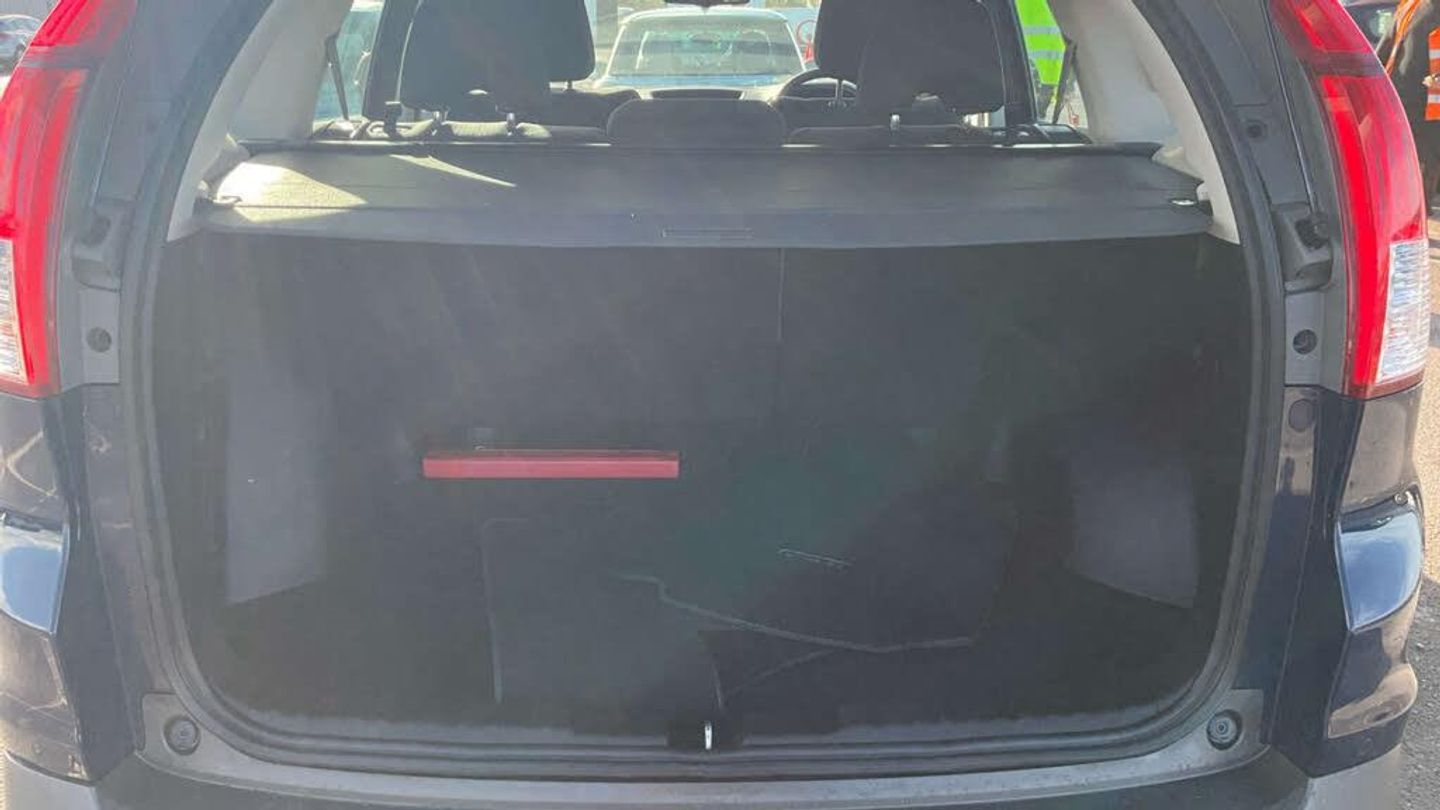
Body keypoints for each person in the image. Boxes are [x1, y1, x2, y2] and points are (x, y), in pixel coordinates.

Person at [1380, 0, 1440, 207]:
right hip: (1401, 101)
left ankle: (1419, 210)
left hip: (1431, 108)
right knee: (1402, 163)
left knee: (1425, 165)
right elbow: (1385, 50)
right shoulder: (1409, 6)